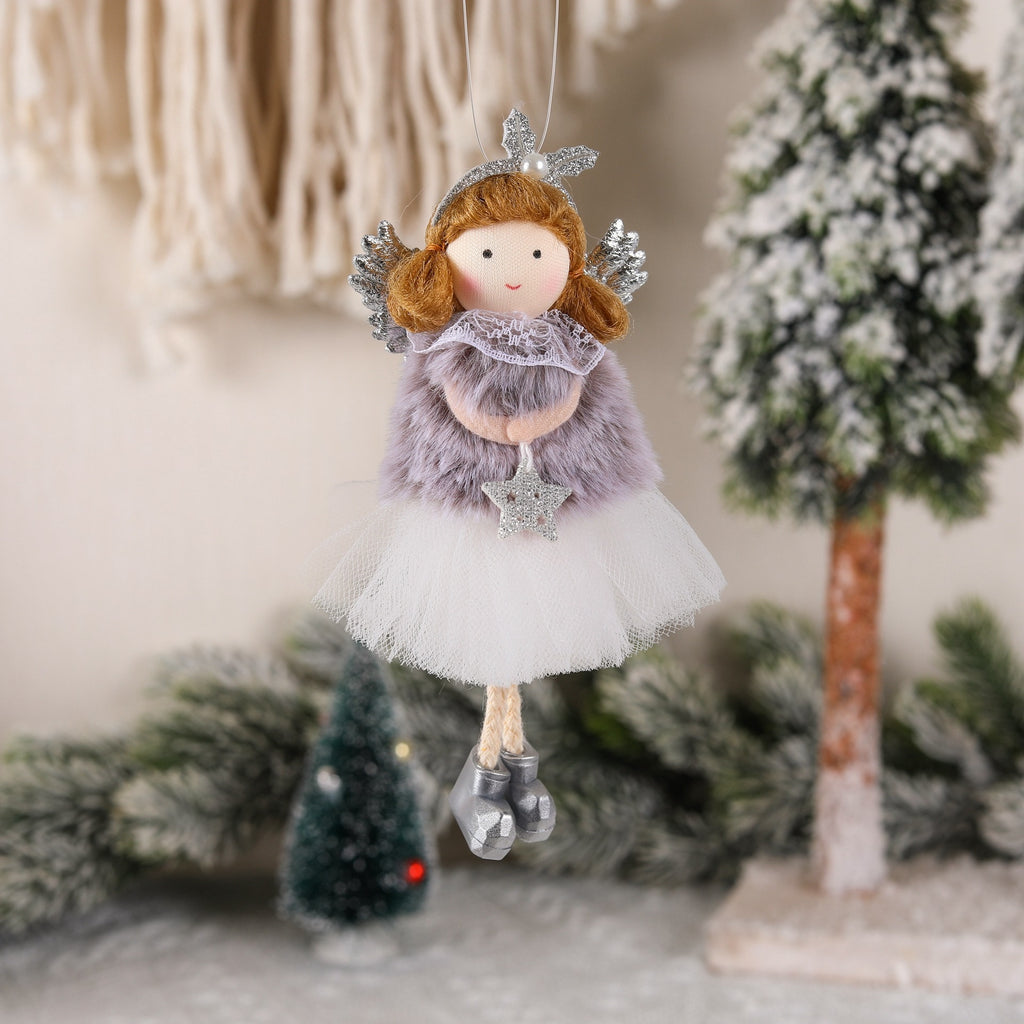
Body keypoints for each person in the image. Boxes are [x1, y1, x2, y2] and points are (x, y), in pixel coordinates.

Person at [317, 110, 725, 859]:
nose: (515, 269)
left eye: (538, 251)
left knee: (515, 645)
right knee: (498, 646)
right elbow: (456, 407)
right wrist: (513, 427)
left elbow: (592, 413)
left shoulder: (576, 343)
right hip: (471, 511)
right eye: (489, 251)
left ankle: (508, 767)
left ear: (566, 260)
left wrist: (548, 422)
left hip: (554, 506)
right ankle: (490, 770)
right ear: (446, 259)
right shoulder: (449, 342)